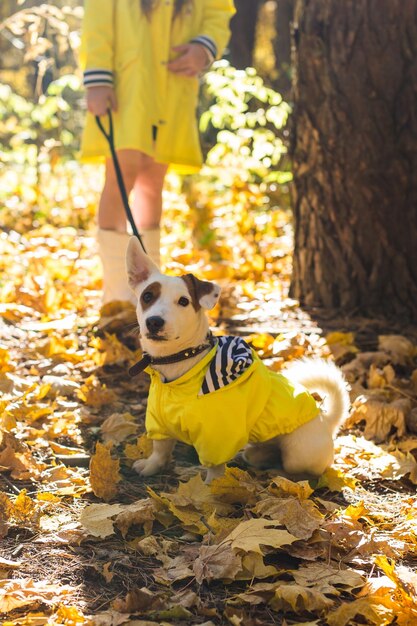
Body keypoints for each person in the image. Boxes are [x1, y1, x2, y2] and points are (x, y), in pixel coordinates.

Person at [80, 0, 235, 303]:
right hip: (126, 84)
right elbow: (97, 19)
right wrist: (97, 78)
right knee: (121, 175)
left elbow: (219, 9)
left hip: (172, 86)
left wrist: (204, 47)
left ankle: (149, 288)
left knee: (153, 181)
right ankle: (118, 294)